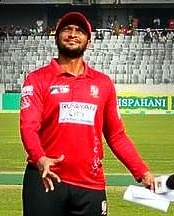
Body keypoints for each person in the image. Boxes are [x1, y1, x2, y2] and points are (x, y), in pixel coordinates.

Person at [20, 11, 155, 216]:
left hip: (90, 184)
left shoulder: (103, 83)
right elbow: (28, 126)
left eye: (80, 31)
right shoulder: (37, 79)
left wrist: (142, 172)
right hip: (44, 179)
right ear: (57, 37)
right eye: (67, 29)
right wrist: (39, 158)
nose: (73, 34)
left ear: (88, 42)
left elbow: (116, 136)